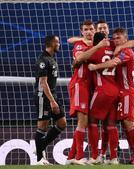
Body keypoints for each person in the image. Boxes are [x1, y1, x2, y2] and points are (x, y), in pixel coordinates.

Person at [88, 27, 134, 165]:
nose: (115, 40)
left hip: (127, 92)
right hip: (119, 92)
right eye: (114, 37)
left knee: (129, 123)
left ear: (125, 38)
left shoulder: (127, 52)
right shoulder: (117, 48)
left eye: (119, 37)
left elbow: (114, 62)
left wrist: (95, 67)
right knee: (123, 124)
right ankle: (131, 156)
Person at [67, 20, 110, 165]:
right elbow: (79, 58)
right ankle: (79, 157)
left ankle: (71, 157)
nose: (89, 32)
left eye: (91, 29)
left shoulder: (92, 45)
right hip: (80, 85)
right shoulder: (80, 45)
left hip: (89, 88)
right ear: (82, 32)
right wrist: (97, 46)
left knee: (85, 122)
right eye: (86, 29)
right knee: (82, 122)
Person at [34, 35, 67, 165]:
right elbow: (43, 83)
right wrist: (52, 101)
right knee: (42, 126)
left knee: (62, 123)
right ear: (52, 43)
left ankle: (39, 147)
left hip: (53, 96)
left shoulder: (51, 59)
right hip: (44, 97)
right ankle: (39, 159)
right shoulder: (43, 60)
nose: (59, 44)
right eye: (57, 42)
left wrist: (54, 99)